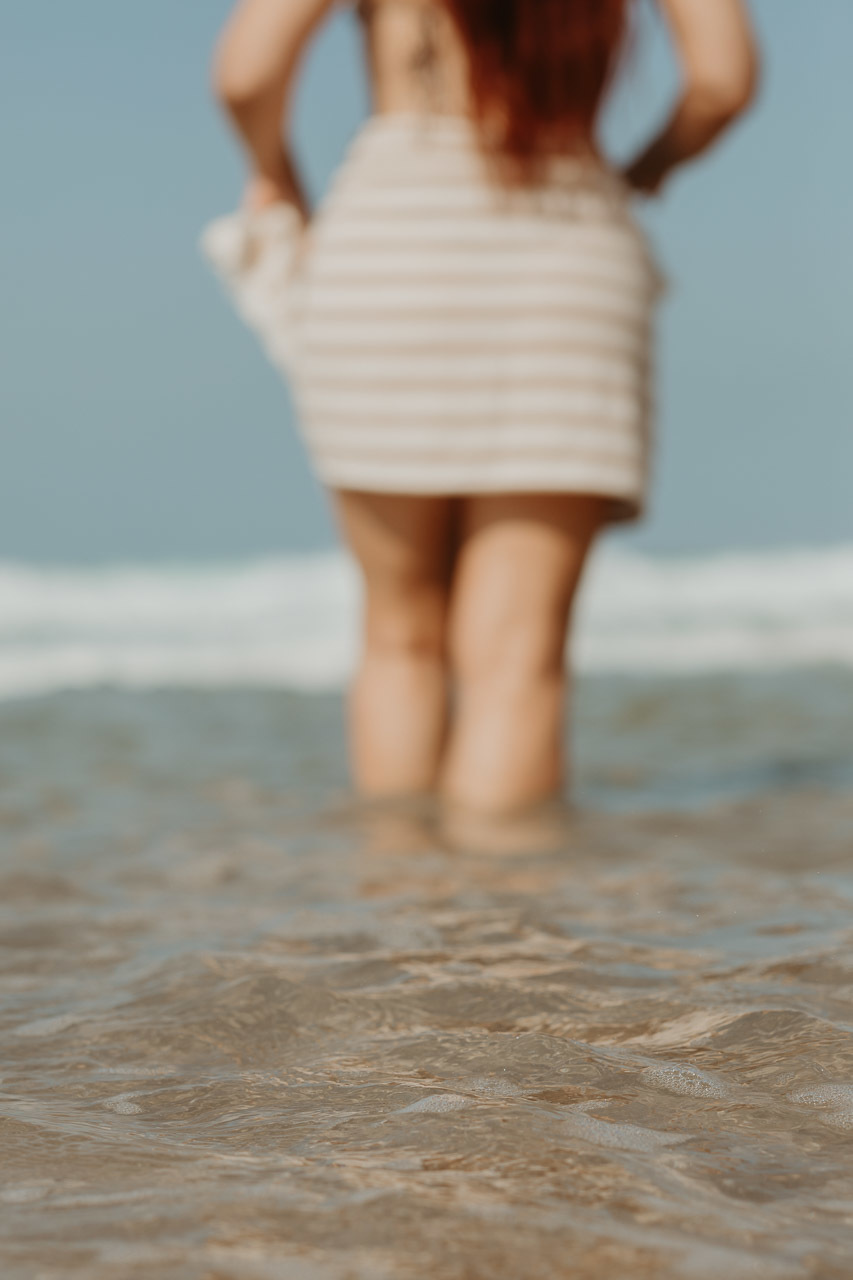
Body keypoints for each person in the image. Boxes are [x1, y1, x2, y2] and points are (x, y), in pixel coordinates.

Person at [207, 0, 758, 816]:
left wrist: (275, 171)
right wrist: (642, 172)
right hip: (566, 241)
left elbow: (246, 71)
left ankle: (401, 915)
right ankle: (503, 935)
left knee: (398, 638)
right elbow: (719, 79)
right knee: (519, 655)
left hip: (394, 238)